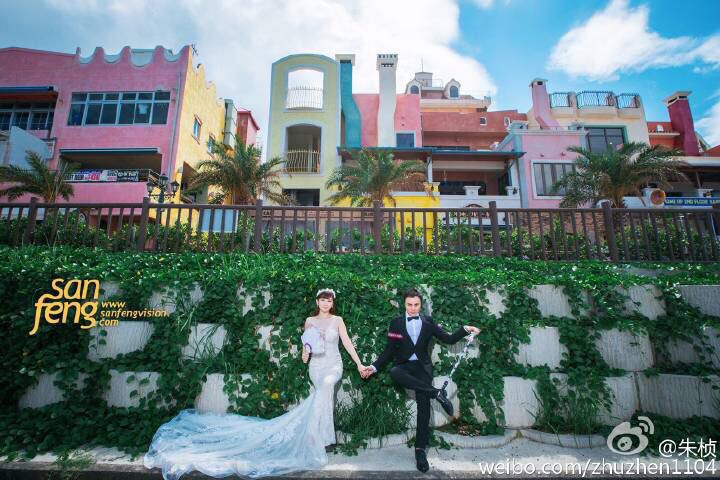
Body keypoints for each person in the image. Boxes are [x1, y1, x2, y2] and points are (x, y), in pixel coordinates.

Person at [143, 288, 367, 479]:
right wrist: (305, 354)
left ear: (332, 303)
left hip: (333, 365)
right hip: (316, 366)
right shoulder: (310, 321)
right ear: (317, 302)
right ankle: (324, 438)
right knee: (324, 395)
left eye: (329, 300)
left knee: (326, 387)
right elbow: (306, 347)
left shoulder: (338, 320)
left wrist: (359, 364)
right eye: (323, 300)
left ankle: (319, 437)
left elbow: (347, 343)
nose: (326, 303)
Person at [360, 288, 480, 473]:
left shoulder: (428, 322)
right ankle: (437, 393)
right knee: (394, 372)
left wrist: (466, 329)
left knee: (423, 407)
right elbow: (389, 350)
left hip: (423, 368)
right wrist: (374, 367)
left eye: (416, 305)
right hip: (404, 366)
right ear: (404, 304)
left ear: (421, 304)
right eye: (409, 304)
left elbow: (448, 339)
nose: (413, 308)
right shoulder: (396, 323)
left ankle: (420, 450)